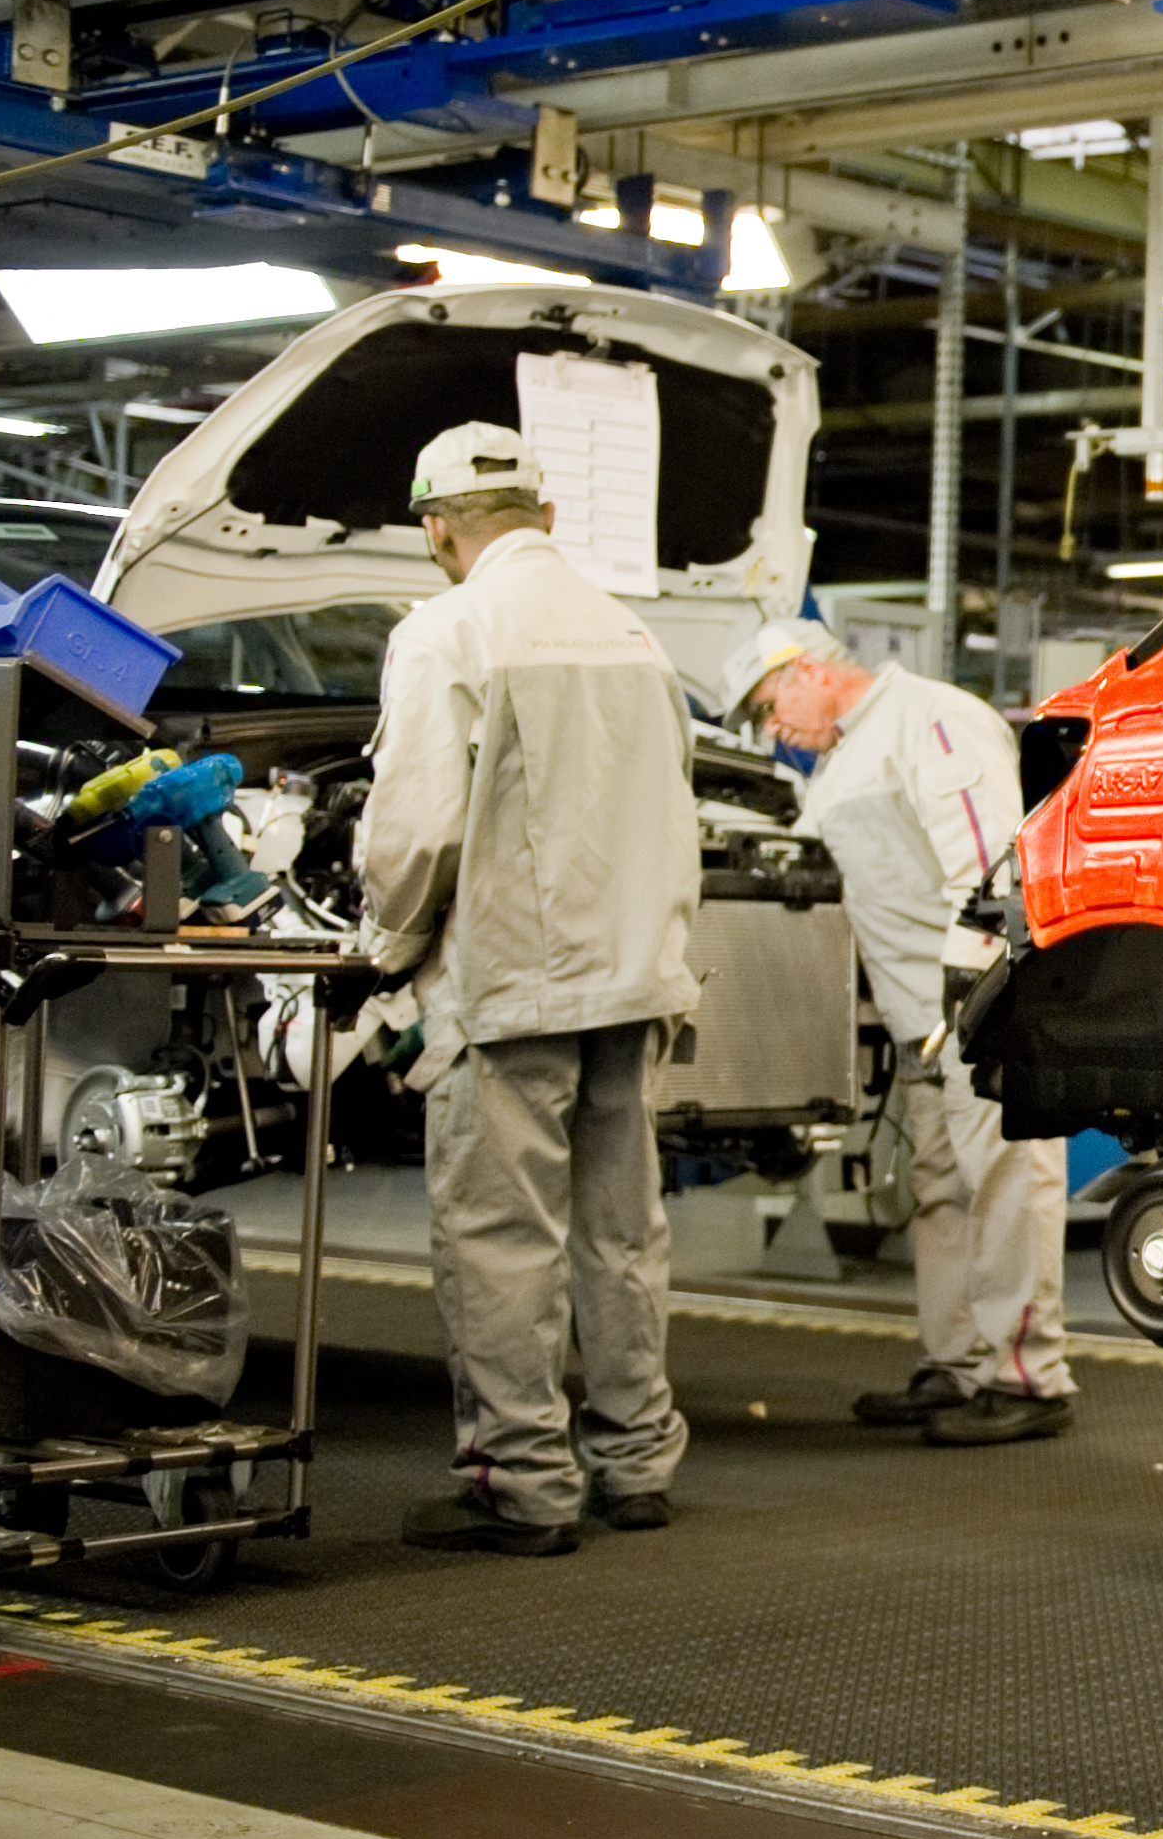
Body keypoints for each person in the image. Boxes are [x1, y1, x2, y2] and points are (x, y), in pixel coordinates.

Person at [359, 422, 702, 1555]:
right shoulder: (634, 636)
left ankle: (522, 1483)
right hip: (636, 976)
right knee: (622, 1232)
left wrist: (387, 948)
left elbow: (418, 832)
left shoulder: (447, 631)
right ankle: (636, 1463)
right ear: (547, 517)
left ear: (435, 531)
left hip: (511, 983)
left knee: (503, 1238)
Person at [720, 617, 1076, 1446]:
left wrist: (971, 1002)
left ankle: (1028, 1378)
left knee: (1007, 1187)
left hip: (981, 1013)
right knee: (941, 1190)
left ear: (811, 671)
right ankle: (959, 1362)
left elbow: (991, 869)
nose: (774, 729)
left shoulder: (931, 719)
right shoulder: (841, 760)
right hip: (922, 1023)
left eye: (770, 706)